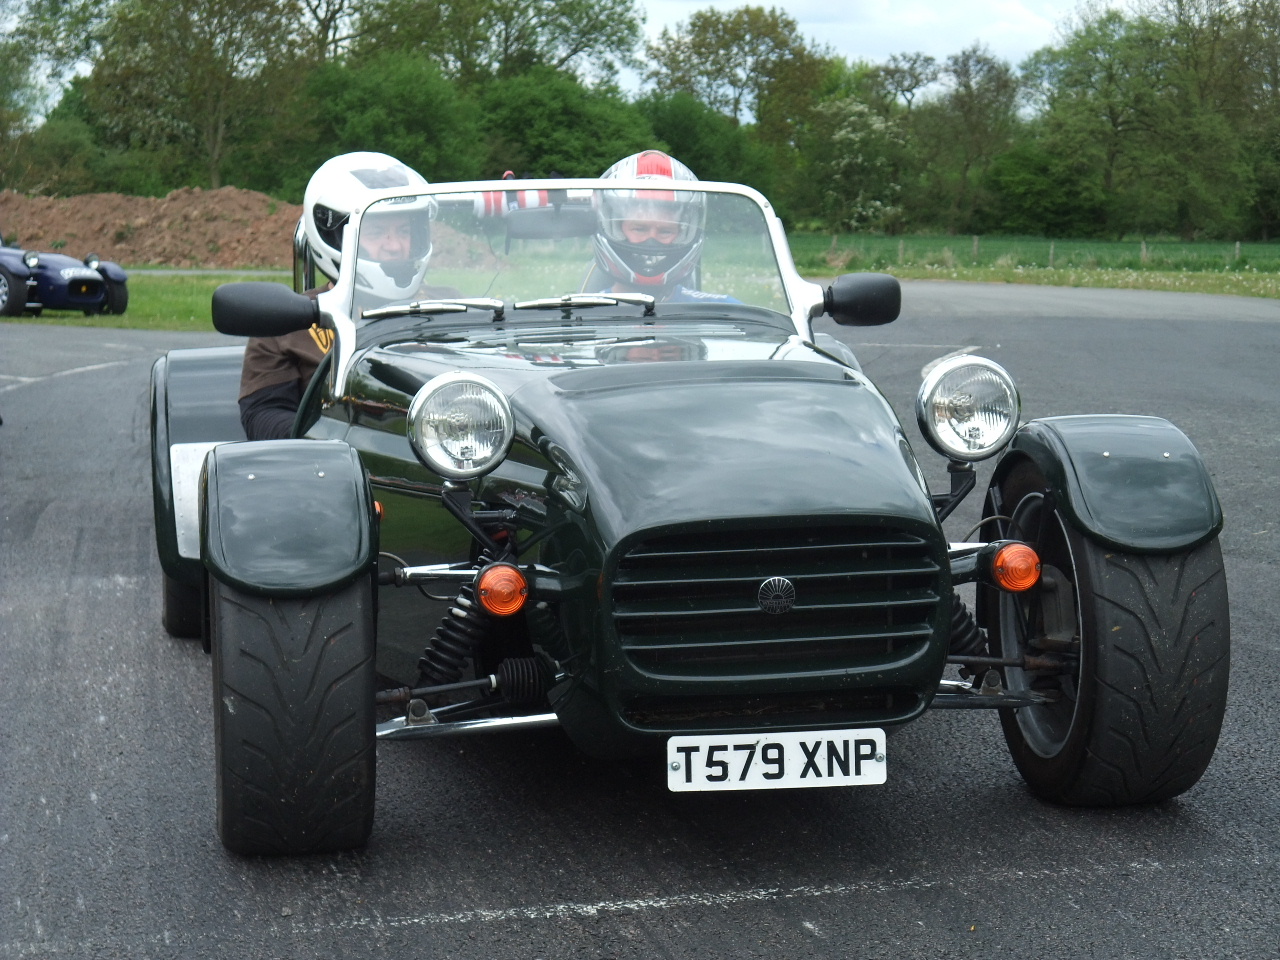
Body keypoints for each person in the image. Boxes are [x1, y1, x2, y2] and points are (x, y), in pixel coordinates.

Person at [239, 152, 436, 441]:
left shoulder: (457, 307)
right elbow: (263, 416)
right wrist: (339, 441)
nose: (394, 245)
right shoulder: (287, 325)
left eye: (404, 230)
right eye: (377, 231)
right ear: (334, 237)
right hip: (341, 470)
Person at [589, 150, 735, 304]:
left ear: (682, 235)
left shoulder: (724, 311)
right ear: (615, 229)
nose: (651, 241)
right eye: (639, 229)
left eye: (665, 231)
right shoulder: (583, 314)